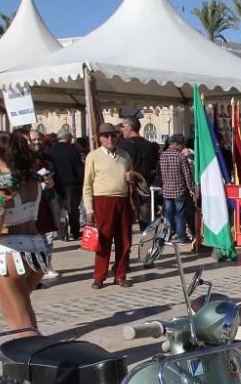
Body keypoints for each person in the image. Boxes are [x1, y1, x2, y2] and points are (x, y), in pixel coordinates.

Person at [0, 131, 52, 330]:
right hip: (37, 250)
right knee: (21, 312)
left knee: (19, 321)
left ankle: (30, 357)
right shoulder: (34, 178)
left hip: (10, 253)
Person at [83, 123, 143, 289]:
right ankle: (99, 276)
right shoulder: (93, 157)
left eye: (113, 135)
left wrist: (132, 178)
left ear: (118, 136)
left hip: (123, 200)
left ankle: (120, 275)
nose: (110, 139)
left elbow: (131, 176)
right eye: (106, 135)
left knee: (125, 241)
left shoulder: (125, 156)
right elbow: (87, 185)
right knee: (103, 241)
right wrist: (89, 209)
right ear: (100, 138)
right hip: (103, 201)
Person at [118, 117, 160, 230]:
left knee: (126, 220)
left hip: (131, 187)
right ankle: (147, 237)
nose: (121, 130)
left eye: (123, 127)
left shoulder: (123, 146)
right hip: (147, 186)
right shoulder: (150, 145)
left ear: (130, 128)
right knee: (147, 217)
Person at [45, 130, 85, 240]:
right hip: (72, 184)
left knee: (60, 208)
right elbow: (79, 168)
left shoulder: (50, 151)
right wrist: (82, 182)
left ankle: (62, 234)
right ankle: (75, 231)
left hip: (56, 183)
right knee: (73, 208)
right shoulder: (73, 149)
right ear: (67, 138)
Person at [159, 134, 196, 244]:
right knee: (180, 214)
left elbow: (160, 173)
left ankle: (166, 235)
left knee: (168, 214)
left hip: (166, 190)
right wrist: (191, 187)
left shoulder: (162, 156)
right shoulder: (181, 157)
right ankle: (182, 236)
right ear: (177, 144)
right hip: (179, 190)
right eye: (181, 144)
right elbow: (187, 174)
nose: (182, 147)